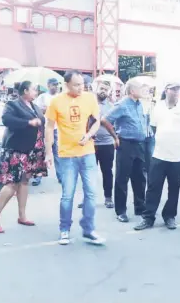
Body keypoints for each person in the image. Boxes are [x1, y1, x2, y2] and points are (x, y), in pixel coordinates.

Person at [45, 70, 105, 246]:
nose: (81, 88)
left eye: (82, 84)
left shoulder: (89, 98)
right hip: (66, 155)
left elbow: (97, 121)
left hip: (87, 153)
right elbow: (49, 128)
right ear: (67, 85)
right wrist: (48, 152)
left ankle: (88, 229)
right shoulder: (56, 101)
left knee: (91, 193)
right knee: (68, 195)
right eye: (76, 85)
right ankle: (64, 229)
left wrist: (88, 135)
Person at [0, 81, 47, 233]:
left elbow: (42, 124)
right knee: (11, 184)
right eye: (34, 89)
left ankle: (22, 215)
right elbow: (7, 120)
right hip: (16, 150)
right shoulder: (13, 105)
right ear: (25, 90)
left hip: (32, 150)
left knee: (25, 181)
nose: (36, 91)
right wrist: (29, 122)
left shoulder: (34, 106)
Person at [135, 82, 180, 230]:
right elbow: (154, 127)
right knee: (153, 187)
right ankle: (148, 217)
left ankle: (169, 216)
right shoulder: (158, 107)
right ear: (166, 90)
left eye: (177, 89)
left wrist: (179, 140)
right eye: (173, 89)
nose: (175, 92)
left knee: (174, 188)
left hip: (177, 156)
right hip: (159, 154)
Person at [101, 78, 148, 223]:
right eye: (140, 88)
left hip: (139, 144)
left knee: (139, 177)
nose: (143, 91)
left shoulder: (139, 104)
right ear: (133, 91)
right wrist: (115, 136)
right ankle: (120, 211)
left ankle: (140, 207)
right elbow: (105, 119)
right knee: (122, 178)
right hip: (126, 144)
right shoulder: (122, 104)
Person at [92, 80, 116, 208]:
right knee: (89, 173)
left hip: (107, 144)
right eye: (101, 88)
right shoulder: (88, 104)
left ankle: (108, 197)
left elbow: (115, 125)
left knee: (107, 171)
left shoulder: (111, 107)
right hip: (90, 144)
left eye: (106, 90)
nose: (103, 91)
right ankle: (88, 198)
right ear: (96, 88)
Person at [34, 78, 61, 185]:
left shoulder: (60, 97)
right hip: (43, 128)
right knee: (40, 152)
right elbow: (37, 111)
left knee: (57, 153)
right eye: (53, 84)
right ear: (48, 85)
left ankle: (61, 176)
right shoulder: (42, 97)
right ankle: (38, 177)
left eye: (57, 84)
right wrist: (47, 109)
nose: (55, 86)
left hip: (56, 128)